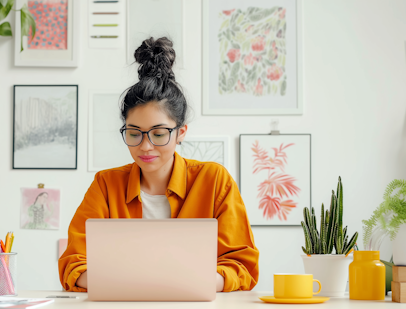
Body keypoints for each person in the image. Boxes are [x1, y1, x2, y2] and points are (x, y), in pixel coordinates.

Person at [58, 37, 259, 292]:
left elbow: (241, 265)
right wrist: (135, 284)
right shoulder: (106, 185)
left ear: (181, 132)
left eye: (159, 133)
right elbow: (73, 264)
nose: (145, 146)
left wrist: (189, 283)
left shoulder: (214, 180)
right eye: (134, 133)